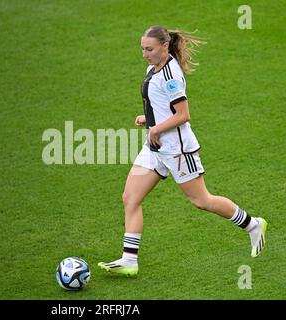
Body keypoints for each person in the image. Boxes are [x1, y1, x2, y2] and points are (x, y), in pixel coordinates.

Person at [98, 26, 268, 276]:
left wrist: (156, 130)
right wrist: (149, 119)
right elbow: (162, 107)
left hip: (177, 150)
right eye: (142, 48)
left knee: (202, 201)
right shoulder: (153, 68)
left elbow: (183, 115)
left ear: (164, 46)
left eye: (149, 49)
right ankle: (129, 260)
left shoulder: (170, 77)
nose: (144, 54)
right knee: (130, 198)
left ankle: (253, 225)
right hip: (155, 148)